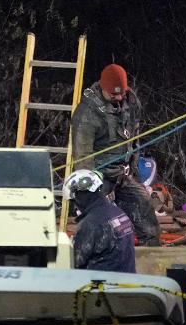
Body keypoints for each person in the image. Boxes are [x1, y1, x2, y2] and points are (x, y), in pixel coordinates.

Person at [69, 63, 162, 246]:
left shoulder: (131, 101)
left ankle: (150, 257)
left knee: (147, 216)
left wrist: (134, 172)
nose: (119, 97)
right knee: (98, 227)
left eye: (122, 93)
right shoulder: (88, 113)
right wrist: (90, 192)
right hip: (99, 176)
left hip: (124, 174)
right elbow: (82, 156)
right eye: (113, 94)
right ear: (103, 89)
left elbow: (133, 137)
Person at [64, 168, 136, 274]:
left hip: (102, 286)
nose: (75, 206)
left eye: (74, 201)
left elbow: (73, 264)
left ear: (79, 197)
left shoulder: (91, 224)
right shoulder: (118, 212)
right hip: (127, 282)